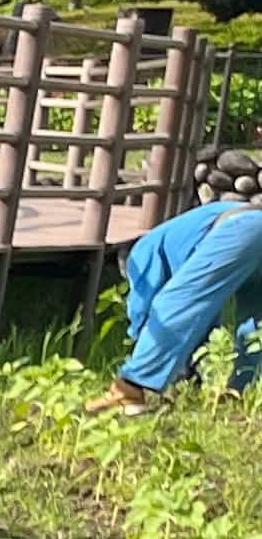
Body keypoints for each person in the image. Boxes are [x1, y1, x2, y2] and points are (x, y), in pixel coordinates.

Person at [98, 151, 262, 415]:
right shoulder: (175, 236)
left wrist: (139, 346)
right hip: (251, 222)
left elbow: (150, 307)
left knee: (176, 302)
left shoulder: (142, 251)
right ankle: (242, 392)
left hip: (241, 230)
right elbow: (204, 316)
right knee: (256, 323)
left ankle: (129, 389)